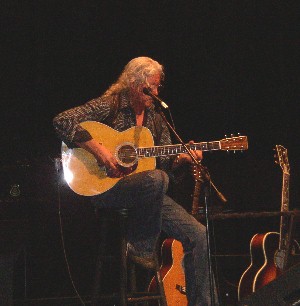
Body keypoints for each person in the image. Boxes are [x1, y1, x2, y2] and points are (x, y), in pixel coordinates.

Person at [53, 56, 218, 305]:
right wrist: (101, 152)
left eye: (157, 86)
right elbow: (62, 120)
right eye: (150, 87)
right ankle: (140, 246)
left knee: (199, 235)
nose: (155, 92)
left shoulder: (156, 118)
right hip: (107, 188)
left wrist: (182, 159)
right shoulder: (111, 105)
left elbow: (164, 168)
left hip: (148, 194)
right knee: (156, 179)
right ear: (133, 83)